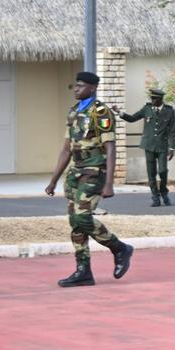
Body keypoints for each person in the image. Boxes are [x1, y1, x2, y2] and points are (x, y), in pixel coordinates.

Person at [45, 72, 133, 287]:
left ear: (92, 88)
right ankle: (83, 270)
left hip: (94, 172)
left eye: (81, 86)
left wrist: (109, 183)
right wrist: (53, 180)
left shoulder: (101, 112)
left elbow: (110, 148)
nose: (76, 89)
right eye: (75, 85)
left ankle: (119, 248)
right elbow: (67, 149)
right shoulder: (74, 111)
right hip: (75, 173)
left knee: (82, 218)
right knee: (75, 222)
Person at [113, 88, 175, 207]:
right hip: (149, 145)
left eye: (154, 99)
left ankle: (164, 191)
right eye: (151, 98)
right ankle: (155, 196)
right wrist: (119, 112)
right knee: (151, 172)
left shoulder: (169, 111)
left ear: (160, 99)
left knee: (163, 171)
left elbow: (172, 130)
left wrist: (172, 148)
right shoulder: (147, 109)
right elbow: (132, 118)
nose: (152, 101)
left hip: (162, 146)